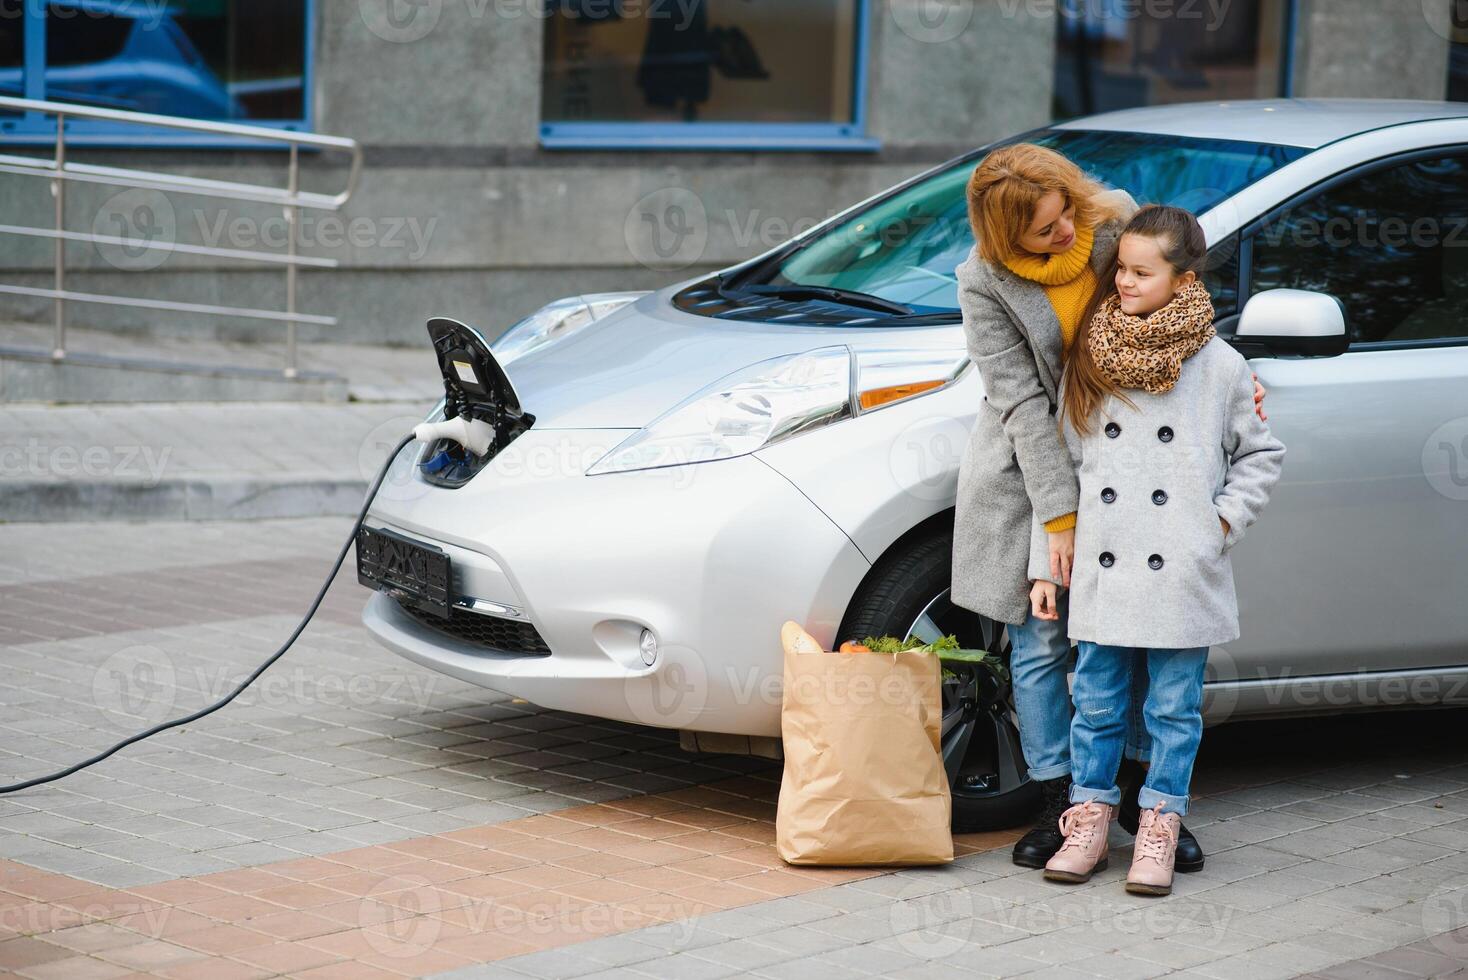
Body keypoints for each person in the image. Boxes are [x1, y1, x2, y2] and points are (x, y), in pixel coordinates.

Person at [953, 143, 1266, 870]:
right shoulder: (982, 278)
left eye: (1065, 216)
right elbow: (1024, 401)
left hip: (1135, 450)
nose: (1066, 236)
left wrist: (1236, 384)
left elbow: (1174, 308)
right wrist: (1058, 517)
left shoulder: (1114, 221)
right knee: (1039, 637)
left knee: (1137, 623)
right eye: (1043, 232)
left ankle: (1136, 797)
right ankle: (1061, 801)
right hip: (1034, 459)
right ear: (1005, 239)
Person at [1027, 205, 1286, 896]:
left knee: (1172, 709)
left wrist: (1218, 527)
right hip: (1105, 561)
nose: (1125, 283)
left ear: (1184, 278)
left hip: (1180, 567)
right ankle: (1087, 821)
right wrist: (1041, 564)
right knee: (1097, 701)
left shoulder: (1223, 365)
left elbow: (1261, 455)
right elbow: (1061, 466)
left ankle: (1159, 824)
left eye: (1144, 272)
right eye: (1121, 269)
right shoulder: (1093, 352)